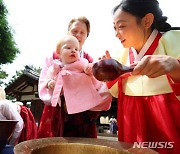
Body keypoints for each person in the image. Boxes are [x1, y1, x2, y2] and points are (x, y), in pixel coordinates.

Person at [101, 0, 180, 153]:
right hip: (132, 127)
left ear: (147, 21)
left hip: (170, 127)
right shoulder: (120, 55)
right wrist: (106, 73)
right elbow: (115, 91)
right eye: (115, 28)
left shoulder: (174, 41)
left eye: (121, 26)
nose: (117, 34)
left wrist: (175, 67)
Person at [38, 16, 111, 138]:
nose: (78, 35)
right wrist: (54, 87)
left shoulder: (89, 61)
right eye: (74, 31)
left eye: (82, 32)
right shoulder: (53, 57)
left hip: (83, 114)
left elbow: (98, 86)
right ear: (68, 32)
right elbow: (44, 81)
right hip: (56, 111)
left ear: (87, 36)